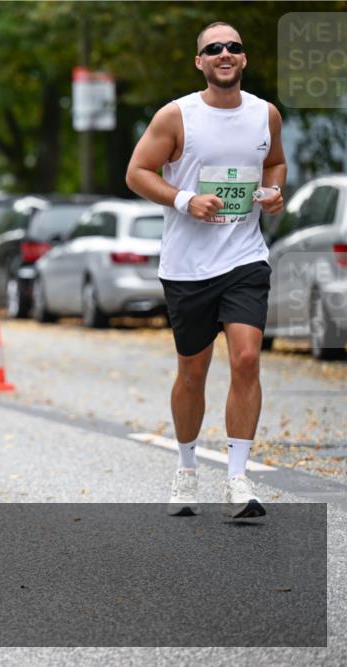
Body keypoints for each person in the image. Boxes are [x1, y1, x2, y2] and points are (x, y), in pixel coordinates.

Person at [125, 21, 286, 519]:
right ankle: (188, 467)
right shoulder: (177, 116)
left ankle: (238, 478)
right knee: (192, 372)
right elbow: (136, 173)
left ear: (243, 60)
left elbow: (275, 164)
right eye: (213, 48)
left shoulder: (266, 115)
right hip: (188, 265)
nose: (224, 54)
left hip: (244, 257)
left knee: (246, 359)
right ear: (200, 62)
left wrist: (275, 193)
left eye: (233, 47)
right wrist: (183, 198)